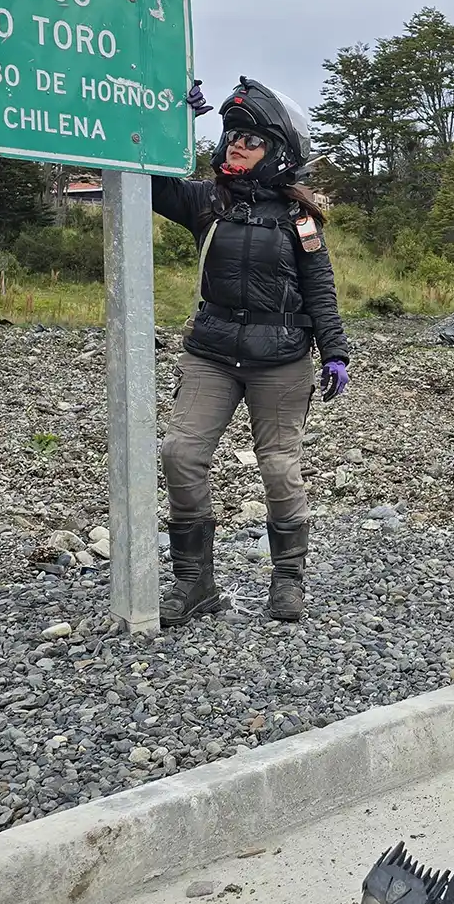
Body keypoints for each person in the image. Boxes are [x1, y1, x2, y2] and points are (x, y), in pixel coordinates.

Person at [151, 77, 351, 627]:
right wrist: (177, 122)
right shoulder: (205, 199)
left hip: (283, 359)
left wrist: (335, 352)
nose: (236, 144)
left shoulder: (298, 218)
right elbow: (148, 180)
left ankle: (289, 581)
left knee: (280, 468)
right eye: (231, 134)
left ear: (278, 153)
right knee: (180, 454)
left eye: (251, 139)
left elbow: (320, 288)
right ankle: (195, 583)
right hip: (211, 352)